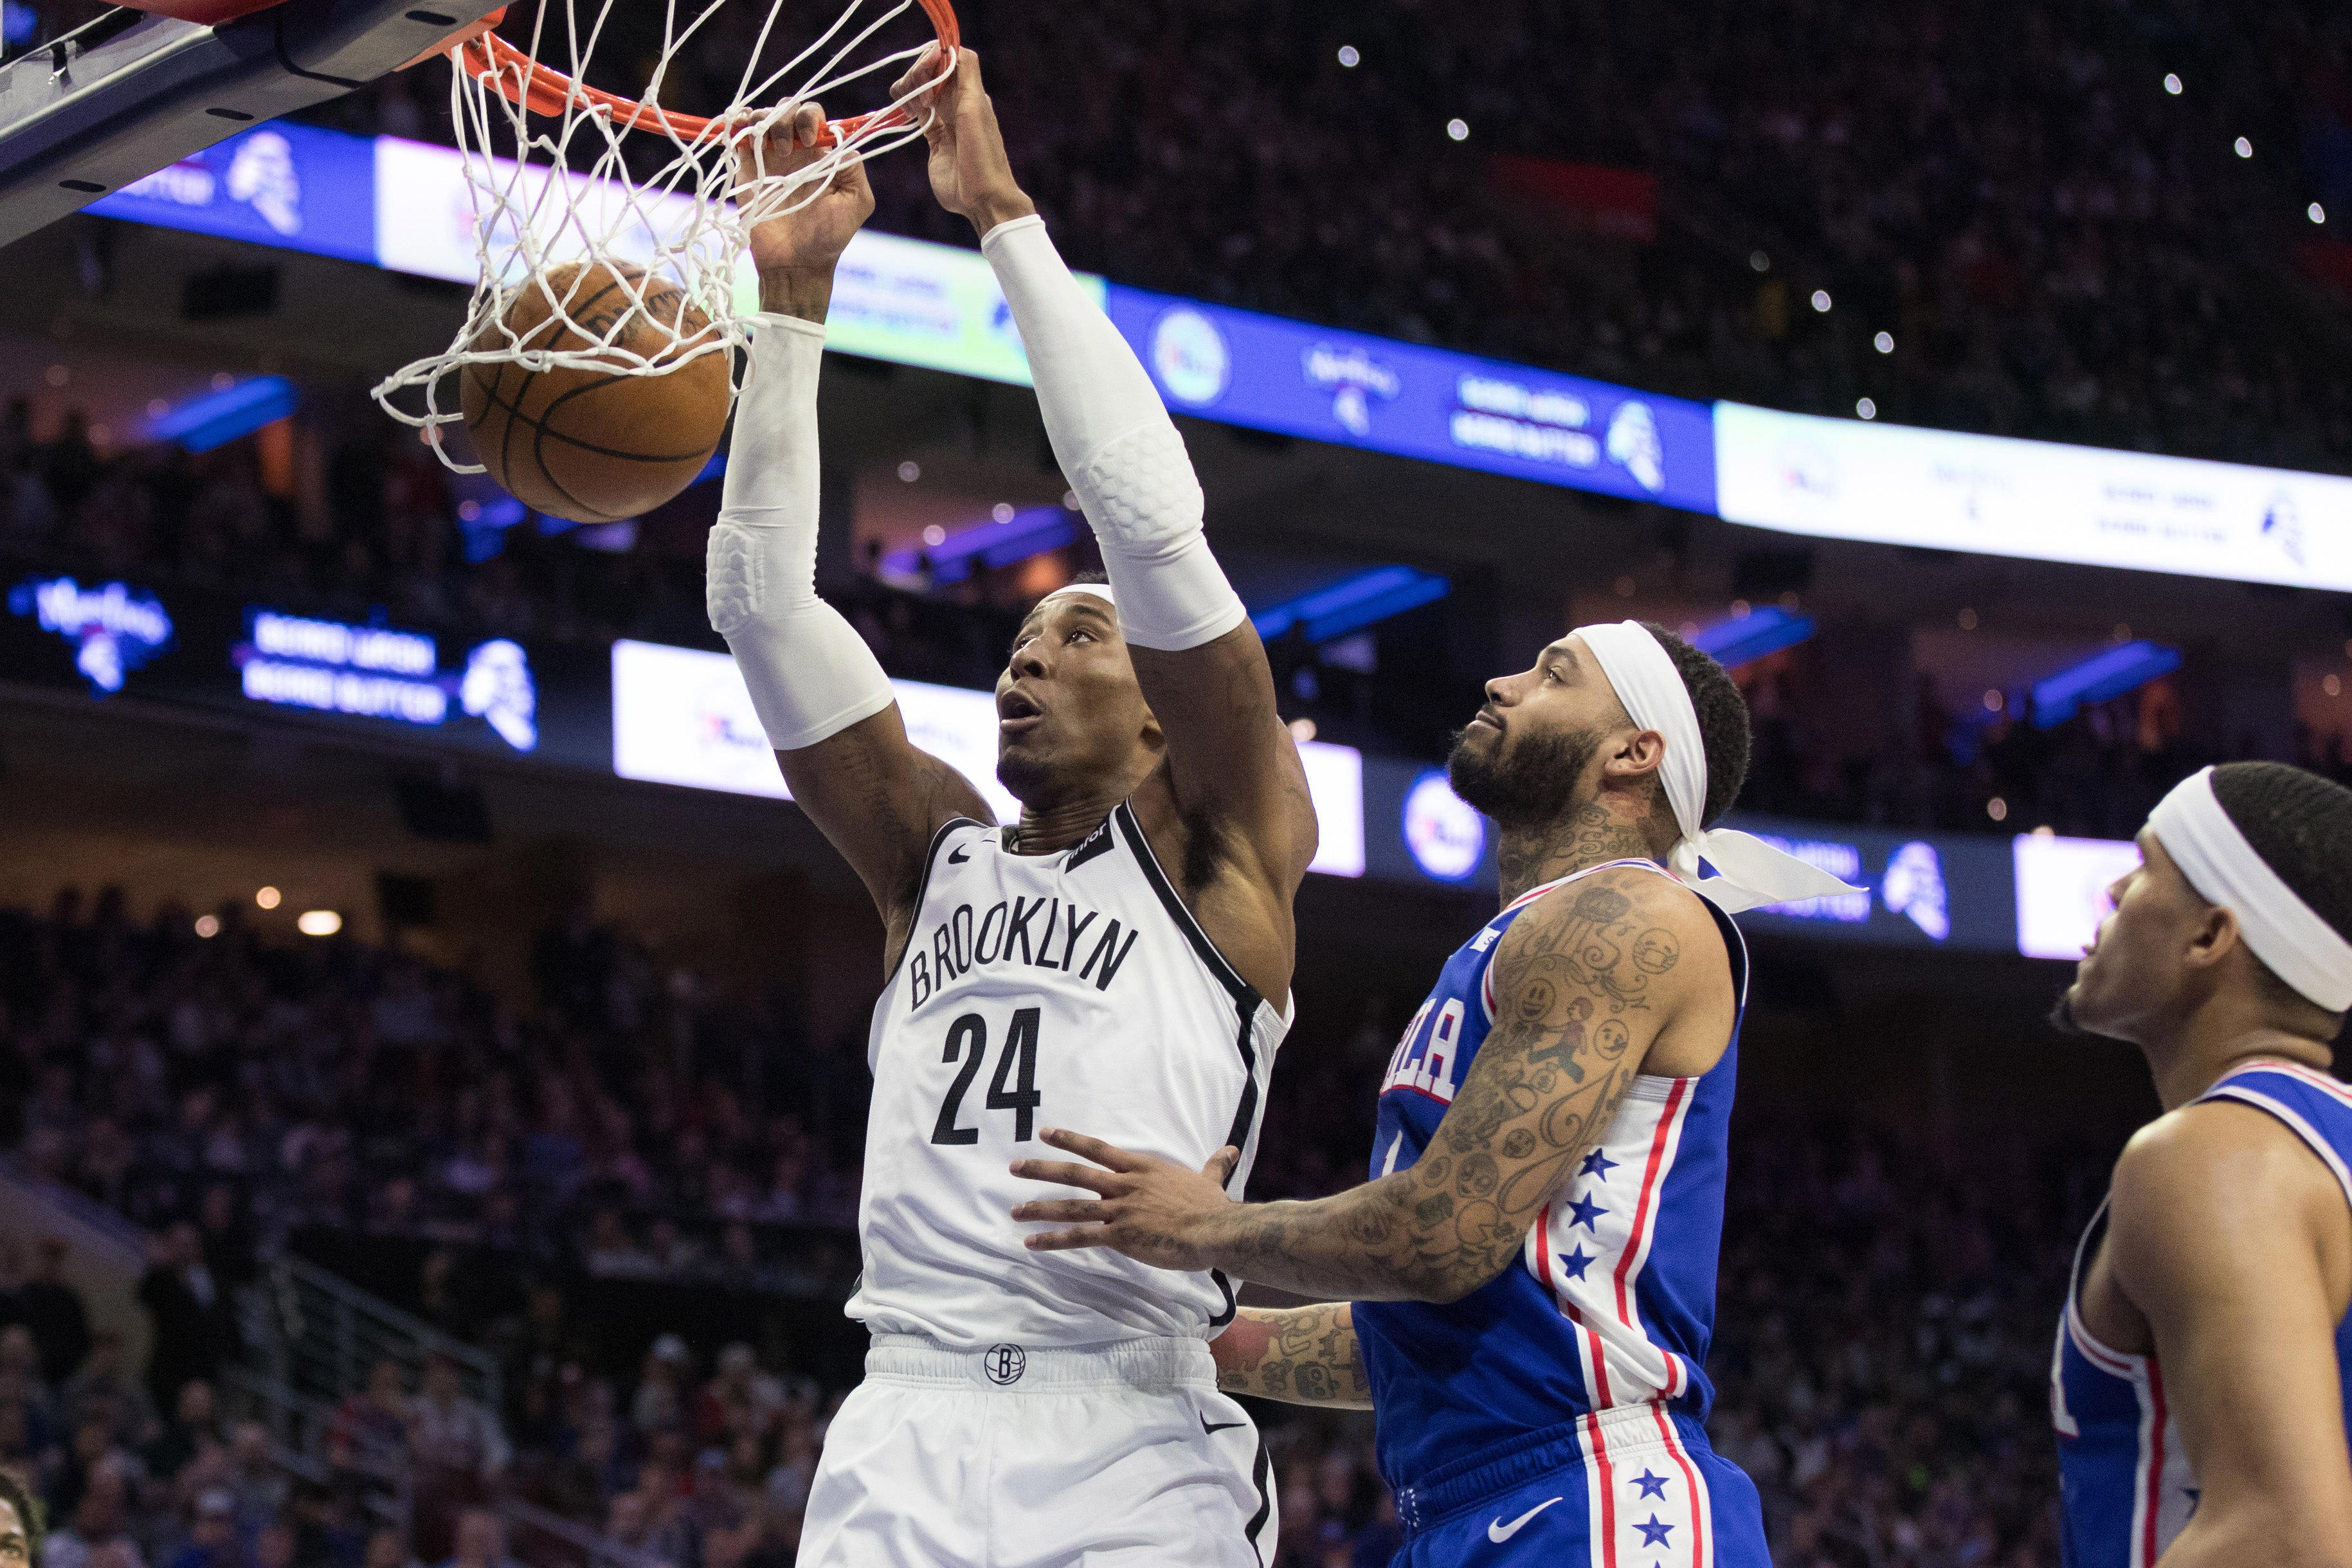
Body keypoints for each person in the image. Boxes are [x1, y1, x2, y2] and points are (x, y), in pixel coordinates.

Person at [709, 50, 1317, 1567]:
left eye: (1078, 634)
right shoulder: (931, 852)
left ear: (1164, 708)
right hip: (903, 1426)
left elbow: (1148, 521)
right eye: (1018, 641)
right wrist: (789, 306)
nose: (1026, 657)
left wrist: (999, 216)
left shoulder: (1222, 851)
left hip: (1127, 1431)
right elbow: (760, 604)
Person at [1011, 622, 1858, 1565]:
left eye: (1553, 675)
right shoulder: (1515, 941)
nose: (1501, 682)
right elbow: (1429, 1329)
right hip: (1472, 1504)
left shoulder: (1627, 913)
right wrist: (1194, 1342)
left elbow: (1441, 1235)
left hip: (1598, 1498)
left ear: (1633, 751)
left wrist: (1203, 1227)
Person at [2047, 762, 2352, 1565]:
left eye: (2144, 865)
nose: (2113, 889)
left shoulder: (2210, 1155)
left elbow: (2282, 1533)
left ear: (2209, 937)